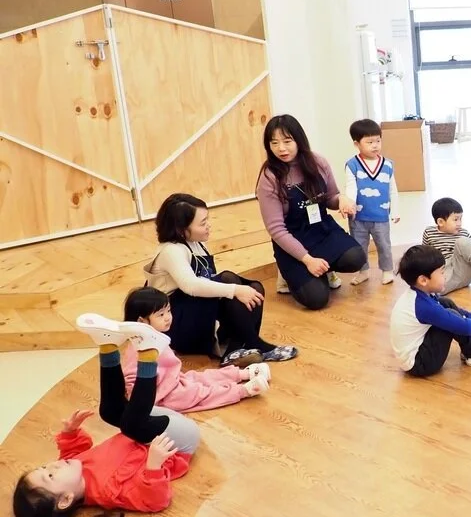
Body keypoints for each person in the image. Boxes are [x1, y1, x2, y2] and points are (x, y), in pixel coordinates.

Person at [12, 314, 199, 517]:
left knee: (109, 413)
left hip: (148, 426)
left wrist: (70, 433)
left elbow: (73, 451)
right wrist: (154, 466)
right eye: (50, 475)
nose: (55, 464)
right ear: (66, 499)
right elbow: (156, 501)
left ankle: (107, 344)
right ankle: (150, 352)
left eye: (45, 466)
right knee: (131, 423)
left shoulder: (75, 466)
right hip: (177, 442)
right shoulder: (110, 492)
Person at [144, 193, 296, 366]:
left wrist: (238, 290)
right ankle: (253, 344)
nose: (209, 226)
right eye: (202, 223)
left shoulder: (196, 243)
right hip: (173, 320)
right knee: (228, 281)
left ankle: (236, 348)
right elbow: (191, 286)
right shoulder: (170, 251)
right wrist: (235, 290)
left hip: (196, 309)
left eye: (207, 220)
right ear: (181, 229)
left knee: (253, 288)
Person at [256, 115, 367, 310]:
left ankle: (325, 268)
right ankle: (288, 275)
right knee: (317, 299)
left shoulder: (317, 162)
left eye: (287, 141)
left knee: (356, 257)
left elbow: (331, 197)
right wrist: (307, 260)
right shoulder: (269, 177)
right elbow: (276, 230)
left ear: (299, 140)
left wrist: (342, 200)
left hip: (321, 229)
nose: (281, 148)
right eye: (274, 143)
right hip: (293, 238)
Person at [121, 288, 271, 413]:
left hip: (175, 382)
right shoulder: (137, 347)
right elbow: (131, 382)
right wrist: (143, 402)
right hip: (163, 396)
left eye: (168, 311)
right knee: (199, 393)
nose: (168, 318)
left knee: (199, 377)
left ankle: (243, 373)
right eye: (161, 314)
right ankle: (243, 390)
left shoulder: (156, 337)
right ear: (141, 321)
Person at [390, 245, 471, 377]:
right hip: (420, 364)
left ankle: (470, 348)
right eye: (441, 272)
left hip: (418, 351)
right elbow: (466, 328)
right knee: (449, 319)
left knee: (445, 303)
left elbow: (451, 312)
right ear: (423, 280)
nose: (445, 276)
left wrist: (468, 316)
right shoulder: (423, 306)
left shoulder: (418, 294)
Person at [339, 119, 400, 286]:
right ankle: (363, 271)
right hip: (358, 216)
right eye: (369, 142)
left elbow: (392, 190)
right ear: (357, 144)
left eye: (378, 141)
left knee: (384, 244)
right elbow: (351, 187)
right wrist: (349, 205)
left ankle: (387, 270)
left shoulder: (387, 165)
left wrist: (395, 211)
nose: (375, 145)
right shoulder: (352, 165)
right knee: (359, 246)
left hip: (381, 215)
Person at [421, 197, 471, 295]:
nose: (459, 223)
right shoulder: (429, 233)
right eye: (455, 219)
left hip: (462, 271)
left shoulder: (463, 233)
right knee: (430, 290)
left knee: (463, 242)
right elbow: (424, 256)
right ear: (440, 222)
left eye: (460, 219)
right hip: (444, 273)